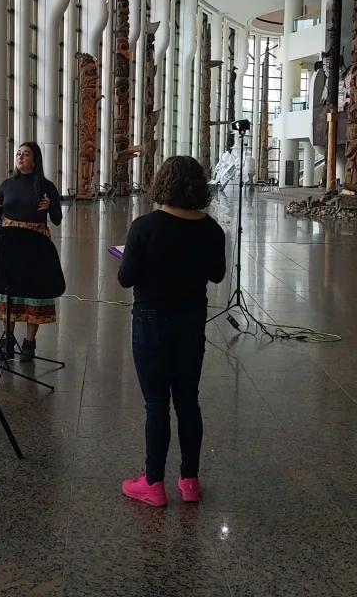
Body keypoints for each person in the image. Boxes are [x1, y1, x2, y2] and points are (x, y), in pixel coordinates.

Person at [117, 156, 227, 507]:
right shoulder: (211, 229)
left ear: (162, 184)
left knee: (156, 405)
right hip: (191, 322)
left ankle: (152, 483)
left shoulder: (144, 227)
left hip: (151, 322)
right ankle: (190, 481)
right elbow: (218, 274)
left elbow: (126, 279)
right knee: (188, 402)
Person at [0, 142, 62, 362]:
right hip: (10, 242)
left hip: (36, 244)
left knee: (33, 292)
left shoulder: (46, 187)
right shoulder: (7, 184)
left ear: (35, 160)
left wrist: (49, 207)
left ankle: (29, 342)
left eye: (26, 154)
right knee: (6, 290)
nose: (20, 157)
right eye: (18, 153)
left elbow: (57, 219)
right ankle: (8, 337)